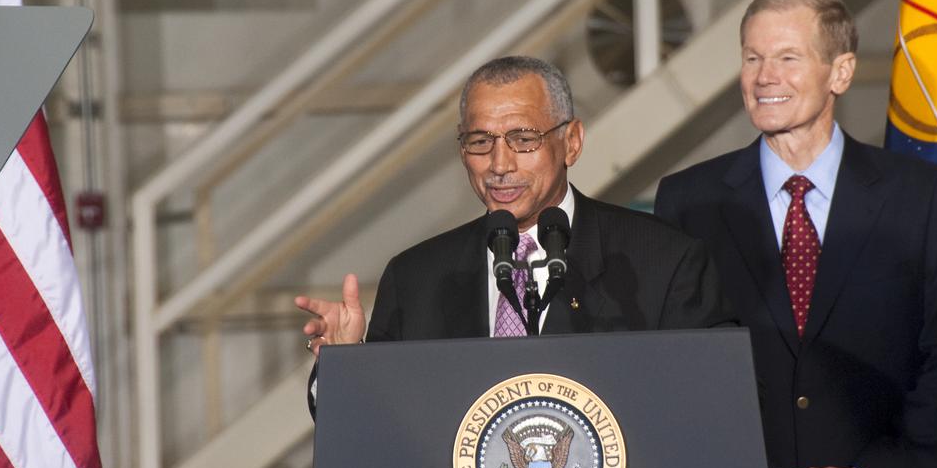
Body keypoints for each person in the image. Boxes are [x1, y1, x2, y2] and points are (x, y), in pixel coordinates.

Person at [654, 0, 937, 468]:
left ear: (841, 71)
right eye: (752, 57)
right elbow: (676, 374)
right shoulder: (686, 202)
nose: (763, 76)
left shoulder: (923, 198)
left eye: (787, 57)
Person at [298, 55, 730, 357]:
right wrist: (346, 365)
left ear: (572, 142)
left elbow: (705, 400)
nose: (500, 165)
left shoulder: (663, 263)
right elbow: (384, 431)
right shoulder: (415, 280)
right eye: (480, 142)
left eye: (524, 140)